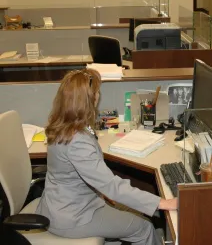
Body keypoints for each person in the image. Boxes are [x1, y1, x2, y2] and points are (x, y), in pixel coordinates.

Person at [36, 69, 176, 244]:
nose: (99, 95)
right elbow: (112, 186)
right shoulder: (77, 141)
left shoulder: (62, 125)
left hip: (63, 203)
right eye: (96, 92)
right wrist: (162, 203)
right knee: (143, 228)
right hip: (73, 216)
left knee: (133, 213)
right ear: (87, 101)